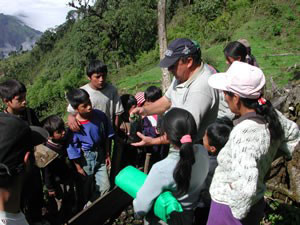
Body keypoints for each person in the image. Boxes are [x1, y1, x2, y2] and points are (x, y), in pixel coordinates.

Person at [206, 61, 300, 225]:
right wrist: (271, 153)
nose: (224, 97)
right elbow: (293, 134)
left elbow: (245, 187)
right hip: (255, 203)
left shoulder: (244, 133)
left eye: (225, 94)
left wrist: (236, 213)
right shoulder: (271, 115)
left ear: (236, 98)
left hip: (229, 209)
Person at [132, 38, 219, 146]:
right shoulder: (183, 75)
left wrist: (154, 141)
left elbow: (184, 132)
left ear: (189, 61)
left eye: (172, 65)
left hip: (192, 147)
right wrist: (145, 110)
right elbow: (167, 100)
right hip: (177, 142)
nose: (169, 69)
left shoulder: (201, 88)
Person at [133, 108, 209, 225]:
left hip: (166, 218)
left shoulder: (162, 169)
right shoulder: (203, 152)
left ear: (166, 136)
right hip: (190, 215)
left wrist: (138, 213)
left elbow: (141, 205)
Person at [0, 79, 47, 225]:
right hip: (13, 171)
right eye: (19, 99)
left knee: (35, 192)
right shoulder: (4, 122)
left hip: (31, 164)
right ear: (6, 101)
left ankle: (37, 218)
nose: (24, 102)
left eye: (25, 97)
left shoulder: (29, 113)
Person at [66, 88, 114, 205]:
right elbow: (72, 148)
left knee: (105, 186)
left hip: (100, 154)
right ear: (76, 109)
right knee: (85, 187)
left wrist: (107, 153)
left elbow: (107, 135)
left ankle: (92, 206)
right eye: (85, 106)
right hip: (86, 159)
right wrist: (78, 167)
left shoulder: (100, 116)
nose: (89, 107)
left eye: (89, 102)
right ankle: (84, 209)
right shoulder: (75, 126)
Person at [194, 118, 233, 225]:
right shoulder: (228, 160)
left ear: (212, 148)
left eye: (205, 138)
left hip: (202, 203)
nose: (202, 138)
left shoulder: (207, 164)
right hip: (216, 204)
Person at [67, 59, 124, 131]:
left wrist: (115, 131)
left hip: (106, 131)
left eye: (103, 75)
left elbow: (117, 113)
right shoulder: (82, 92)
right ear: (89, 77)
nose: (101, 79)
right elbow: (72, 111)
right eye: (97, 77)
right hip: (88, 132)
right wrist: (70, 118)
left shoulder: (112, 90)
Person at [41, 115, 75, 222]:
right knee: (58, 200)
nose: (63, 133)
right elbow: (46, 172)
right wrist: (50, 188)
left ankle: (69, 214)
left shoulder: (61, 141)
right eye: (59, 132)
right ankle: (59, 218)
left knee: (68, 195)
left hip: (65, 176)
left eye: (63, 129)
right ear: (50, 136)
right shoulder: (47, 151)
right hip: (56, 181)